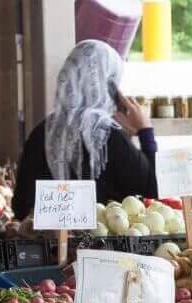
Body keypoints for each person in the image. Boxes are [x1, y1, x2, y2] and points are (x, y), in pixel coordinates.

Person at [13, 40, 157, 219]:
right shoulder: (105, 135)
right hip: (99, 245)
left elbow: (20, 206)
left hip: (46, 245)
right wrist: (145, 131)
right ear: (109, 84)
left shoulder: (41, 133)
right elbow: (152, 189)